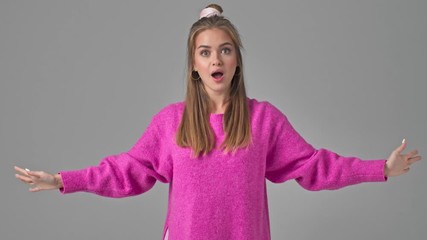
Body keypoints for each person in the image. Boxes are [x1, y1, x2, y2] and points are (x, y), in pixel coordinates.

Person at [14, 4, 421, 240]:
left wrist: (379, 170)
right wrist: (63, 180)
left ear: (236, 59)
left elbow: (315, 167)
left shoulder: (264, 120)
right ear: (194, 63)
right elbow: (125, 171)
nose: (216, 60)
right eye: (205, 52)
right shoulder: (171, 122)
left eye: (224, 50)